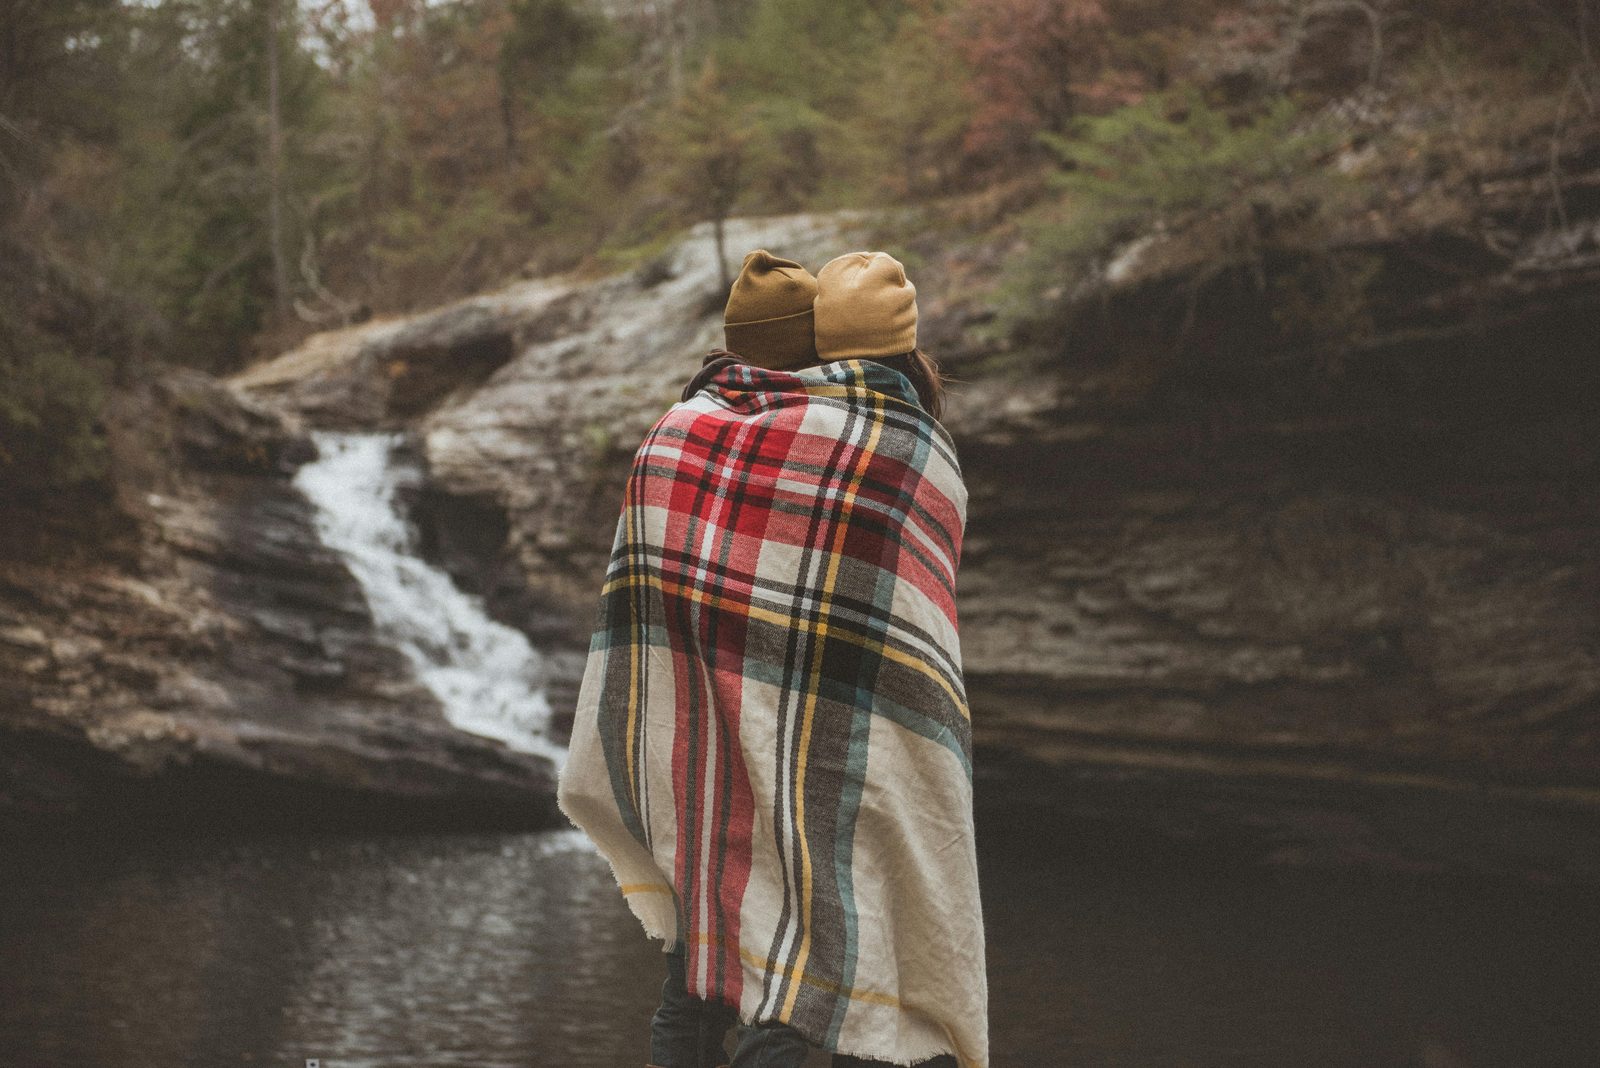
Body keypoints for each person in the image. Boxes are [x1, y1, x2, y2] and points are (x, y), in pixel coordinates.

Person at [557, 248, 986, 1068]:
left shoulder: (679, 432)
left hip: (701, 763)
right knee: (807, 993)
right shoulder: (905, 443)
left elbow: (648, 616)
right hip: (841, 766)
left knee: (693, 984)